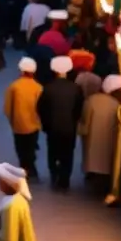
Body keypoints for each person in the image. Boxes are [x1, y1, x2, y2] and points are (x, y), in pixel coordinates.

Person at [38, 56, 84, 190]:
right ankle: (65, 179)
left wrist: (45, 124)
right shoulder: (76, 88)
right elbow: (79, 108)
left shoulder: (48, 88)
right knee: (68, 153)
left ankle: (54, 174)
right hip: (69, 127)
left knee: (52, 152)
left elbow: (41, 108)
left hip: (52, 128)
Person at [4, 58, 43, 179]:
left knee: (20, 147)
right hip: (34, 124)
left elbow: (7, 107)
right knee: (31, 146)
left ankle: (24, 166)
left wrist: (12, 120)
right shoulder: (38, 87)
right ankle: (31, 167)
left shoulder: (14, 86)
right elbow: (41, 107)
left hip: (18, 124)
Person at [81, 75, 121, 179]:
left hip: (91, 140)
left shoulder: (91, 99)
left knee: (92, 159)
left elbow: (84, 120)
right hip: (109, 142)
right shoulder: (117, 104)